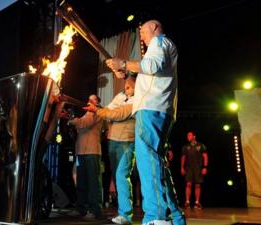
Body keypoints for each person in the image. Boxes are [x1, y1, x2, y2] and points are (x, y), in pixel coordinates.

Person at [105, 20, 185, 225]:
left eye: (143, 31)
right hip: (157, 109)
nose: (141, 36)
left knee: (149, 163)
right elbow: (145, 76)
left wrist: (123, 63)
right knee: (157, 165)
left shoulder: (159, 42)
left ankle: (156, 217)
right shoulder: (160, 47)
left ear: (155, 28)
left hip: (152, 109)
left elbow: (152, 66)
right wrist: (123, 72)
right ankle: (176, 217)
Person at [85, 77, 136, 225]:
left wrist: (99, 110)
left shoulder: (137, 100)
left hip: (126, 141)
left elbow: (117, 114)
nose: (126, 89)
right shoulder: (120, 96)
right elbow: (108, 110)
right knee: (117, 176)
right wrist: (103, 110)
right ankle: (122, 212)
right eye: (125, 86)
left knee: (121, 175)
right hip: (113, 140)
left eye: (129, 86)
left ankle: (125, 215)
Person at [68, 94, 104, 220]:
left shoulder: (97, 112)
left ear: (98, 102)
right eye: (88, 98)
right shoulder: (87, 113)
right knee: (82, 182)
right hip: (81, 151)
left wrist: (71, 120)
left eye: (93, 99)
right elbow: (81, 125)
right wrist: (72, 119)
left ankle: (95, 210)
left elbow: (84, 123)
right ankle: (81, 209)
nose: (89, 100)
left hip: (92, 151)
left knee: (93, 183)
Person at [181, 131, 208, 209]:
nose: (188, 137)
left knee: (197, 185)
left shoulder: (200, 145)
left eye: (189, 135)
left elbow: (205, 156)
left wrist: (205, 167)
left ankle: (197, 202)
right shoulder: (186, 146)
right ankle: (187, 202)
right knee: (188, 184)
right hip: (189, 168)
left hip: (198, 168)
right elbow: (183, 158)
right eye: (187, 135)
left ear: (194, 136)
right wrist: (182, 167)